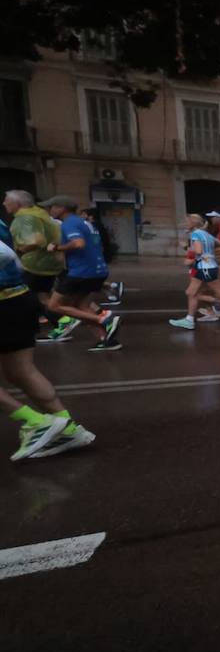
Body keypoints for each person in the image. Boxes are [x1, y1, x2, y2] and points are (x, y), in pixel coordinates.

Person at [1, 218, 96, 460]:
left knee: (21, 371)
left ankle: (35, 422)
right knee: (21, 371)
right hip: (18, 297)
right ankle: (68, 428)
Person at [39, 195, 122, 351]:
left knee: (54, 305)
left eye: (50, 207)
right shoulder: (83, 223)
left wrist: (56, 248)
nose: (48, 210)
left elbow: (78, 243)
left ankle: (104, 318)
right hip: (96, 270)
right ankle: (106, 340)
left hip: (81, 271)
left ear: (61, 208)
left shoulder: (69, 223)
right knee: (80, 306)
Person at [169, 214, 220, 334]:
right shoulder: (207, 234)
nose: (185, 224)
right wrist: (211, 253)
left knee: (217, 293)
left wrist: (188, 250)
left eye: (187, 222)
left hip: (204, 267)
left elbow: (198, 251)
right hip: (210, 266)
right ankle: (189, 319)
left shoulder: (195, 234)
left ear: (193, 223)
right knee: (192, 292)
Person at [4, 189, 63, 328]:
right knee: (42, 296)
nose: (4, 203)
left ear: (16, 203)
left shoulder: (25, 217)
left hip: (34, 265)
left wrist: (18, 252)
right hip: (47, 264)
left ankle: (64, 320)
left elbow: (36, 241)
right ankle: (61, 322)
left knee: (22, 296)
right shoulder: (39, 213)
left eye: (7, 200)